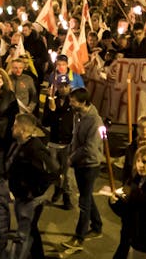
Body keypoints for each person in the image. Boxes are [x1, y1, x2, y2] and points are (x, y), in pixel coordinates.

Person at [5, 113, 57, 259]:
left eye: (15, 125)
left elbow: (52, 172)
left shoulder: (35, 149)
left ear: (23, 130)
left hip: (29, 201)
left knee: (22, 235)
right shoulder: (18, 143)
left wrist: (32, 193)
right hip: (21, 196)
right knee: (31, 229)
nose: (11, 127)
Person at [63, 87, 104, 250]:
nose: (70, 103)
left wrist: (72, 157)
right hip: (80, 163)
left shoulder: (95, 121)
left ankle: (79, 237)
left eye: (73, 101)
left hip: (90, 165)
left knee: (84, 202)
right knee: (87, 197)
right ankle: (97, 226)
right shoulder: (78, 115)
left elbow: (90, 148)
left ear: (83, 102)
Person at [42, 70, 77, 210]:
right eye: (61, 86)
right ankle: (58, 189)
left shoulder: (73, 103)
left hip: (68, 143)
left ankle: (67, 197)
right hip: (54, 142)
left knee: (68, 173)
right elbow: (45, 122)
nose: (63, 89)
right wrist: (51, 110)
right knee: (55, 171)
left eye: (66, 86)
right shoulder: (51, 101)